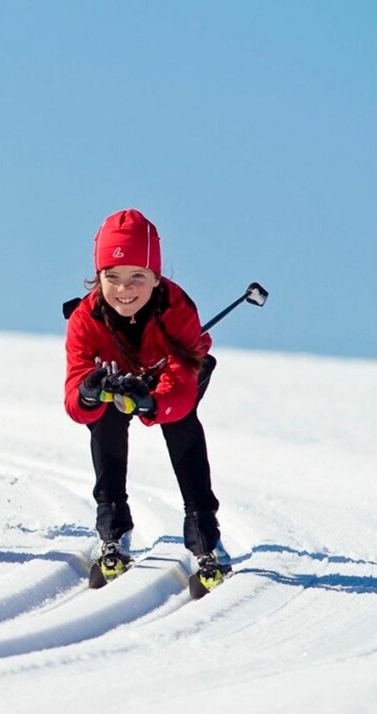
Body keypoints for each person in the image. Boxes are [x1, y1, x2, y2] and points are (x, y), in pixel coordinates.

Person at [63, 208, 230, 593]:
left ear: (156, 276)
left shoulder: (178, 309)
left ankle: (204, 537)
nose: (124, 289)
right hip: (118, 382)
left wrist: (152, 403)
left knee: (181, 424)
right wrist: (88, 393)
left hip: (166, 385)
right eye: (113, 277)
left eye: (137, 275)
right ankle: (113, 530)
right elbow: (74, 396)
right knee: (103, 418)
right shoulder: (85, 319)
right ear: (98, 277)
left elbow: (182, 386)